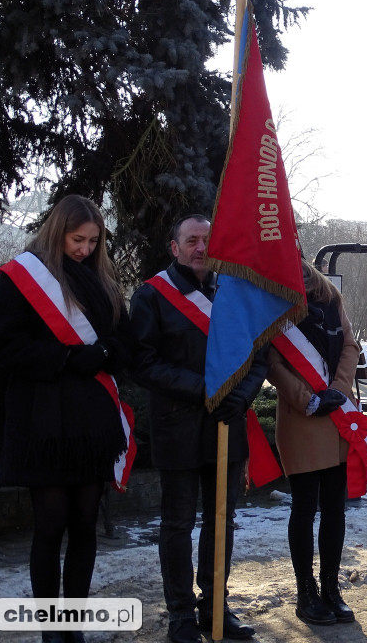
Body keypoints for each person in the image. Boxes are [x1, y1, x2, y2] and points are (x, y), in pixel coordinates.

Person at [0, 194, 132, 643]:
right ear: (58, 232)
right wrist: (69, 358)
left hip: (92, 424)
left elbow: (123, 341)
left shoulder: (103, 282)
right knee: (50, 526)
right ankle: (52, 627)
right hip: (44, 422)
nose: (85, 249)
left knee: (85, 525)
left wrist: (106, 352)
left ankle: (74, 623)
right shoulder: (23, 277)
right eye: (77, 239)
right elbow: (8, 346)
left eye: (93, 241)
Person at [130, 214, 267, 643]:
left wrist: (240, 396)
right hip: (179, 426)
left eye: (208, 240)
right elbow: (144, 363)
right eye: (192, 240)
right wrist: (209, 390)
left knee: (221, 520)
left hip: (228, 423)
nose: (201, 247)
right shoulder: (152, 296)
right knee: (178, 523)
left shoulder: (235, 291)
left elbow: (258, 351)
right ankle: (180, 615)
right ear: (175, 247)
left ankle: (215, 608)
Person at [265, 259, 360, 624]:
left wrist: (337, 391)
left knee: (336, 507)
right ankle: (306, 593)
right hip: (301, 418)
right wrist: (307, 399)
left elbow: (350, 346)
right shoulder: (273, 301)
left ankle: (331, 588)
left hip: (336, 416)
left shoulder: (330, 295)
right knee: (304, 508)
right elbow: (271, 361)